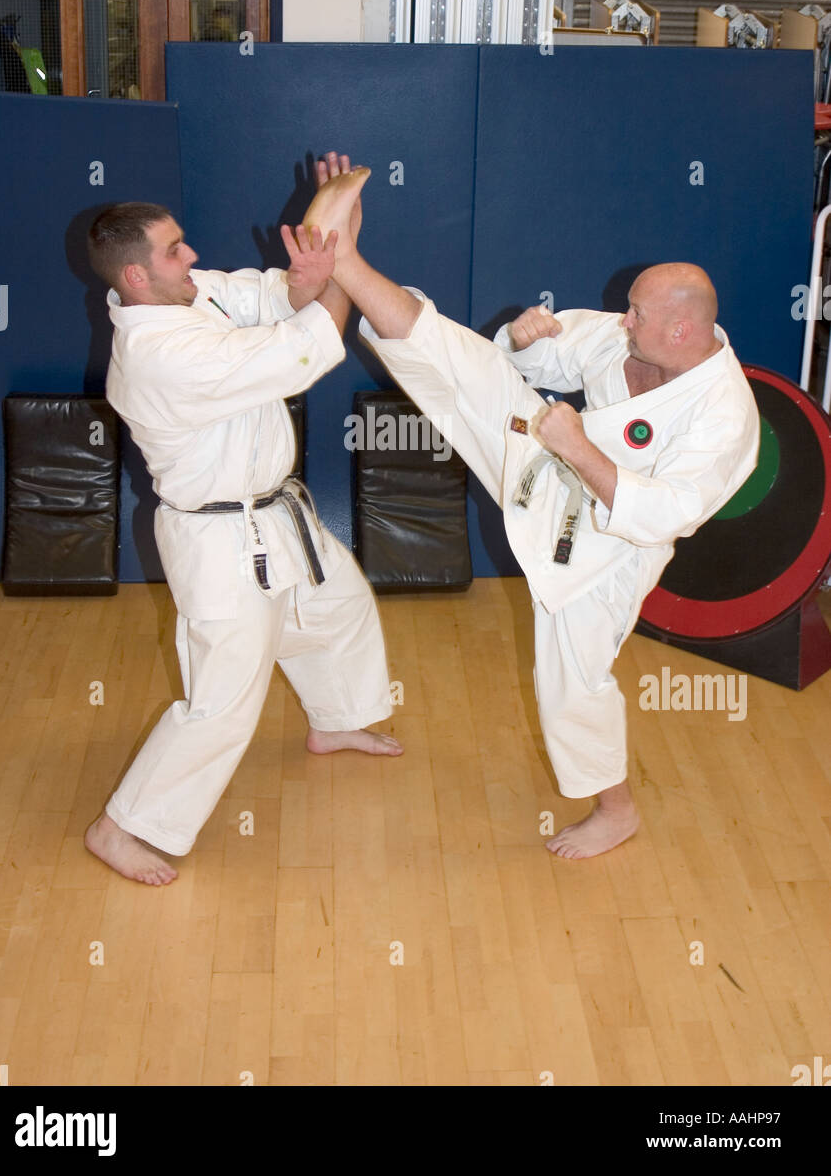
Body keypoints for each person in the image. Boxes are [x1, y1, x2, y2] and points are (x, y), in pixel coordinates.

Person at [303, 161, 760, 859]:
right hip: (550, 462)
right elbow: (541, 362)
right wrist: (521, 339)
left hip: (610, 549)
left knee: (569, 680)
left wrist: (578, 449)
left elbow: (665, 514)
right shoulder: (626, 335)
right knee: (461, 364)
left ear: (678, 331)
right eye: (629, 307)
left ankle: (617, 808)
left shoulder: (725, 416)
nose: (622, 316)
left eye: (637, 313)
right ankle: (349, 258)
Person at [84, 153, 401, 887]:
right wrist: (342, 267)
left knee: (339, 604)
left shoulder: (180, 297)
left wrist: (317, 258)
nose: (191, 253)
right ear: (136, 275)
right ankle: (122, 826)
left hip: (272, 516)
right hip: (220, 542)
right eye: (174, 249)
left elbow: (269, 296)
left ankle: (336, 718)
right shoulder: (159, 353)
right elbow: (299, 351)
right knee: (223, 701)